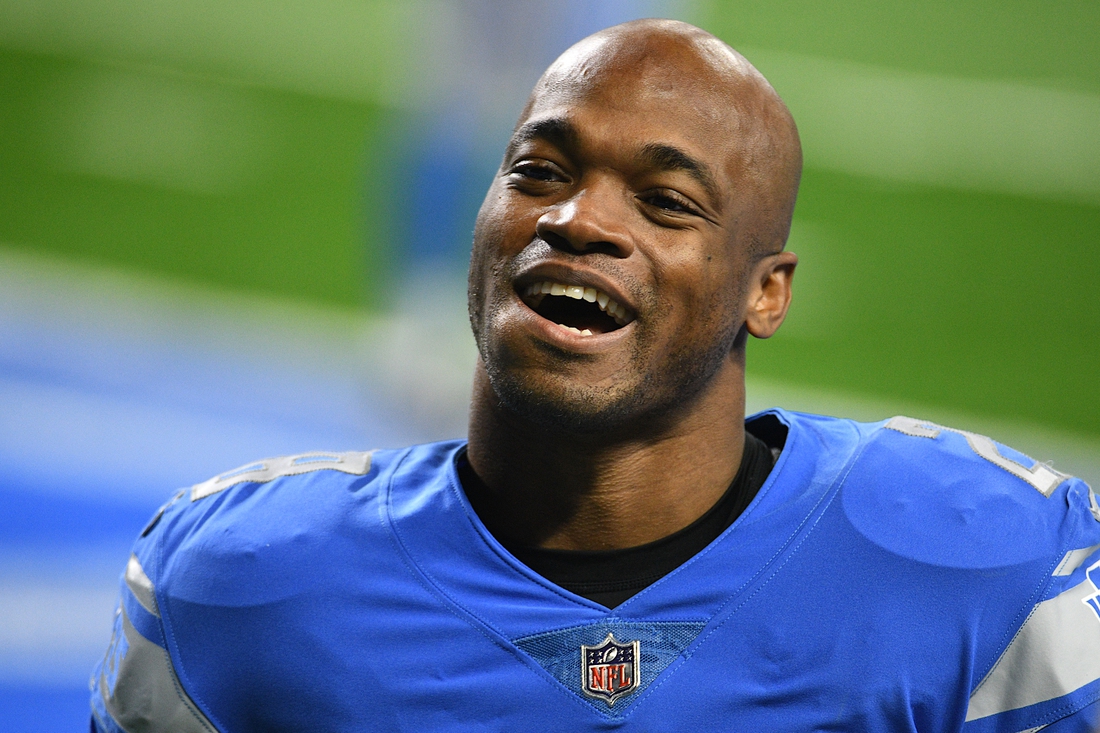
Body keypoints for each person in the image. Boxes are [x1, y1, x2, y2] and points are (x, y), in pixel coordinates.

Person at [90, 19, 1100, 732]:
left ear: (767, 293)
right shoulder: (240, 584)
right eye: (539, 171)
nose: (578, 221)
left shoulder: (983, 567)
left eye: (665, 202)